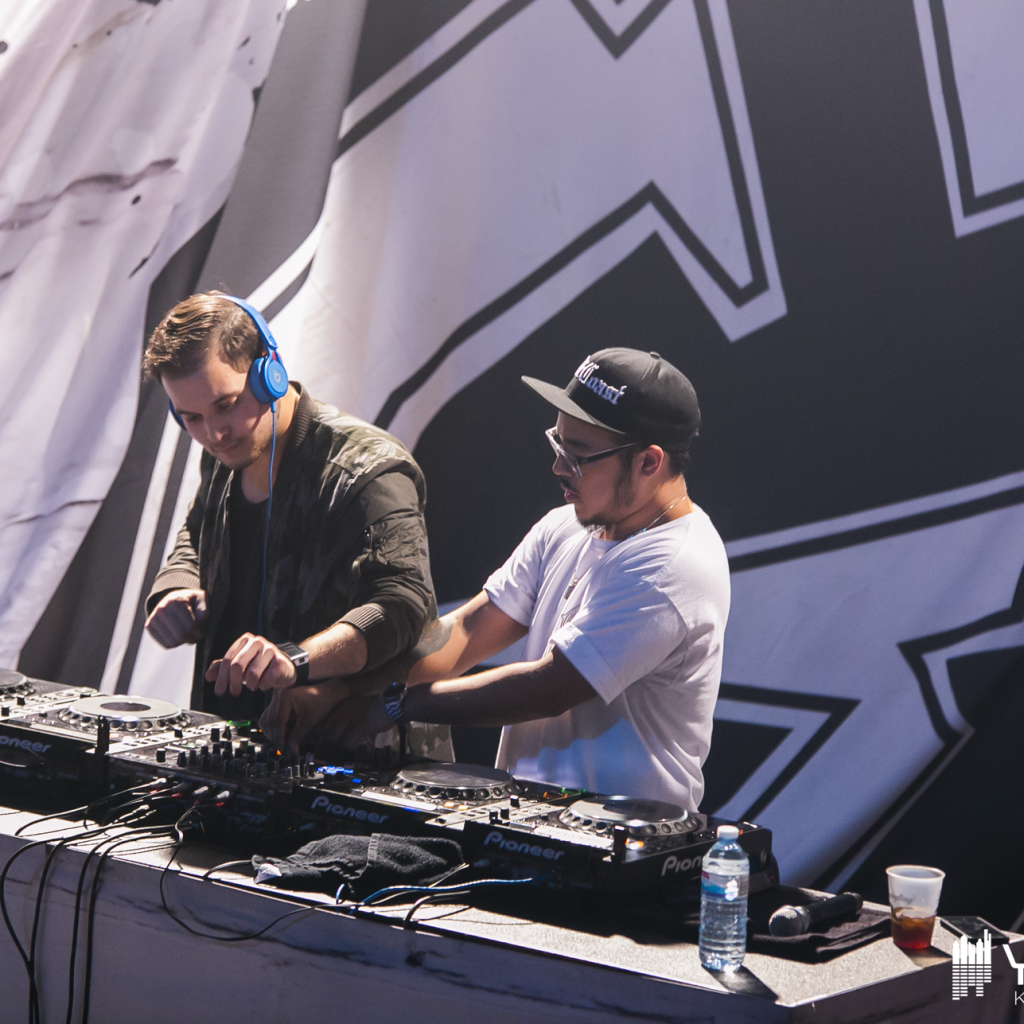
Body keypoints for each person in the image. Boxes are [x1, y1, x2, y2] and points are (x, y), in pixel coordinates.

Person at [263, 348, 730, 811]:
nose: (558, 467)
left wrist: (395, 705)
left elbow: (549, 688)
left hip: (621, 835)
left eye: (580, 456)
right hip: (530, 818)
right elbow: (467, 631)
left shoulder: (674, 564)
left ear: (649, 462)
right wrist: (339, 689)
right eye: (558, 444)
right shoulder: (566, 525)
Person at [141, 292, 445, 755]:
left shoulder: (369, 469)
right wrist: (178, 587)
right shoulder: (224, 452)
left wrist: (297, 660)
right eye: (191, 417)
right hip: (241, 752)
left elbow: (401, 608)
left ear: (270, 373)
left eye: (226, 404)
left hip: (360, 759)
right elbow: (198, 535)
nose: (214, 433)